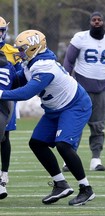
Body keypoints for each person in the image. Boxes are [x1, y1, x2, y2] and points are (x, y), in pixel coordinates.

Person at [0, 29, 95, 206]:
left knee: (63, 145)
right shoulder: (32, 63)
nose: (20, 53)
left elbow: (27, 92)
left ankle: (86, 188)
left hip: (75, 105)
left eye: (22, 49)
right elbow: (16, 81)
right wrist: (4, 69)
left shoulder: (44, 66)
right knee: (37, 143)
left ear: (34, 48)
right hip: (54, 109)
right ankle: (60, 184)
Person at [63, 11, 105, 172]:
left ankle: (96, 159)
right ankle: (70, 159)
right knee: (75, 125)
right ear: (90, 22)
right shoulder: (80, 38)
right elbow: (69, 61)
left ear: (104, 22)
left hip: (102, 89)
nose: (97, 22)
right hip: (81, 89)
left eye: (100, 20)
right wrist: (65, 80)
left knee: (98, 126)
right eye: (94, 20)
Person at [0, 16, 22, 198]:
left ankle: (4, 174)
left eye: (0, 31)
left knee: (4, 137)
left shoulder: (13, 52)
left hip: (5, 101)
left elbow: (20, 78)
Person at [0, 51, 16, 199]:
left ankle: (2, 177)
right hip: (6, 105)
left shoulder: (9, 58)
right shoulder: (7, 64)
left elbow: (17, 82)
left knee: (4, 138)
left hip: (3, 105)